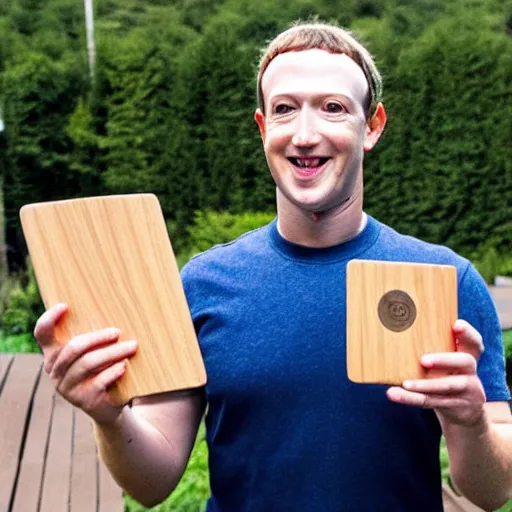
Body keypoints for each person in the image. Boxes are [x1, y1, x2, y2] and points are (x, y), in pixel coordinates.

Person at [34, 22, 512, 511]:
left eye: (333, 108)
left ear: (371, 126)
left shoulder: (447, 281)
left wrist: (470, 422)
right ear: (263, 127)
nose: (305, 135)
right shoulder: (202, 284)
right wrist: (110, 419)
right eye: (285, 109)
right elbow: (151, 483)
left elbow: (493, 492)